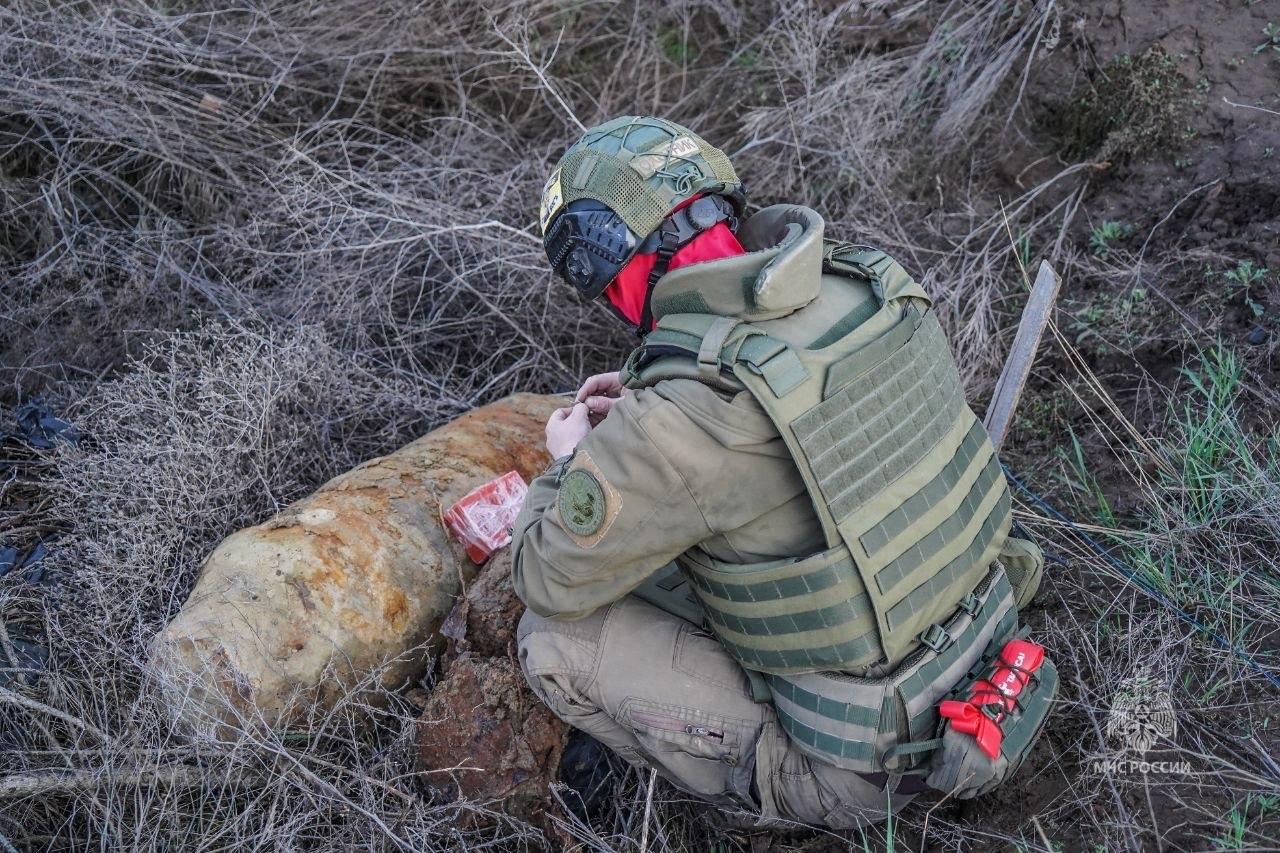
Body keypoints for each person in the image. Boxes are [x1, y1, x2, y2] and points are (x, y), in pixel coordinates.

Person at [510, 116, 1049, 829]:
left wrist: (573, 459)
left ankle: (756, 810)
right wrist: (651, 407)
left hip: (861, 763)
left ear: (611, 262)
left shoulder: (687, 416)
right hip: (985, 646)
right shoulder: (869, 285)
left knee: (548, 639)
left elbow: (546, 573)